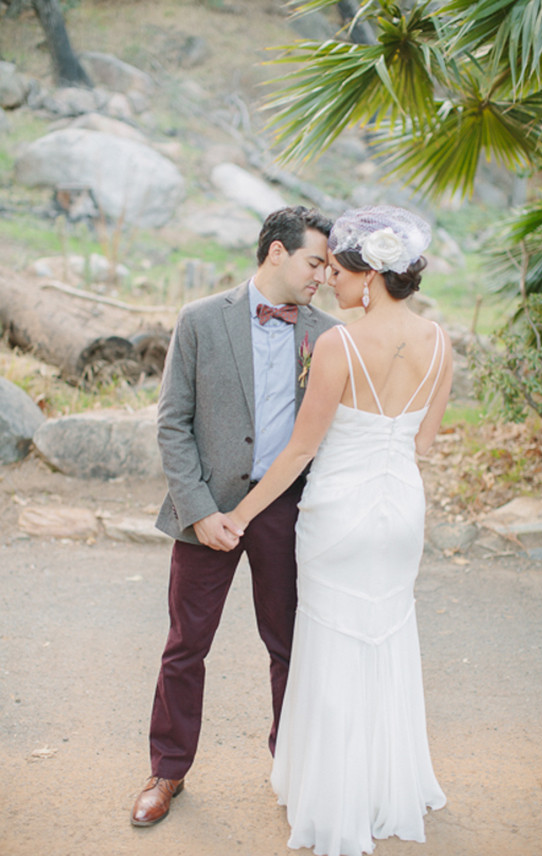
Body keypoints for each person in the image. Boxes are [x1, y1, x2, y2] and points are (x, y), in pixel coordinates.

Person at [229, 205, 453, 855]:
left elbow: (300, 450)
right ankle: (387, 787)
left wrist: (241, 515)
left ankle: (332, 800)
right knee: (387, 638)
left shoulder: (340, 343)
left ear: (372, 277)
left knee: (331, 647)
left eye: (343, 270)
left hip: (338, 515)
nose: (331, 280)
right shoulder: (441, 343)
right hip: (400, 510)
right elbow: (426, 442)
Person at [130, 206, 339, 827]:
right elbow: (172, 423)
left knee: (291, 646)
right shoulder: (199, 320)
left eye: (328, 266)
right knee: (185, 646)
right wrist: (198, 512)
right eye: (314, 261)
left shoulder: (327, 334)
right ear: (276, 253)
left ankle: (292, 771)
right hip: (208, 512)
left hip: (286, 511)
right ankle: (166, 771)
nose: (323, 276)